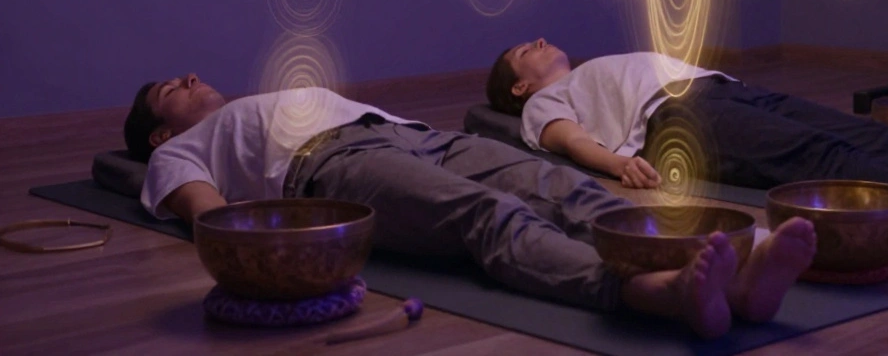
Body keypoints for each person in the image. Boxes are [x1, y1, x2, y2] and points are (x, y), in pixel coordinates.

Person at [124, 73, 817, 339]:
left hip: (416, 137)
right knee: (485, 214)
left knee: (564, 189)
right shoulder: (178, 152)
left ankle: (735, 278)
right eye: (171, 89)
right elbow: (217, 221)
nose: (191, 78)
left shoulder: (255, 99)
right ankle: (646, 291)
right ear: (160, 130)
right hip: (334, 168)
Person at [486, 39, 888, 216]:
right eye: (526, 50)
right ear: (521, 87)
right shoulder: (542, 105)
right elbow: (572, 141)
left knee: (864, 133)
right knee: (819, 153)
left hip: (722, 89)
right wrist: (619, 165)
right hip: (680, 119)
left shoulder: (591, 72)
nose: (541, 41)